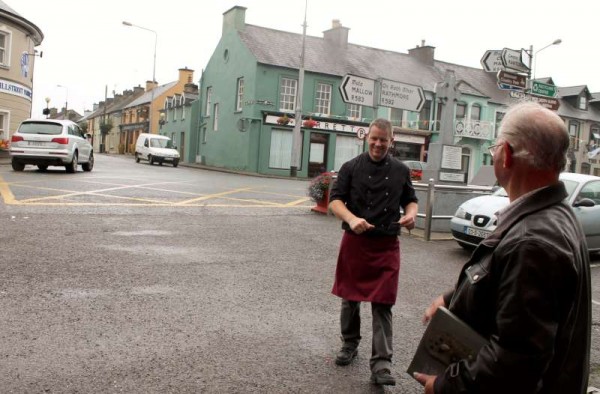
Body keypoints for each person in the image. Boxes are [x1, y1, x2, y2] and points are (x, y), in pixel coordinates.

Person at [415, 102, 591, 393]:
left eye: (495, 146)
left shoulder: (532, 241)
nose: (494, 153)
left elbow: (515, 361)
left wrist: (444, 385)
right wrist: (453, 297)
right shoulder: (554, 214)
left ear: (506, 154)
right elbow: (509, 288)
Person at [329, 118, 418, 386]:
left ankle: (381, 364)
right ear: (367, 138)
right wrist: (352, 218)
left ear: (392, 141)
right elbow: (335, 200)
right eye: (374, 138)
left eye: (384, 139)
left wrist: (411, 215)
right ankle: (349, 344)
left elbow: (410, 200)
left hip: (387, 243)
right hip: (356, 241)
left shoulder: (401, 170)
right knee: (349, 297)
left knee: (383, 303)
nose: (378, 144)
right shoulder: (350, 167)